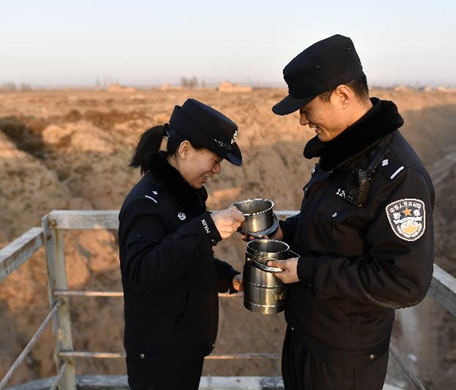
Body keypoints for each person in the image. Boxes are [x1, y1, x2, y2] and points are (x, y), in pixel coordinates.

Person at [265, 34, 435, 390]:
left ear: (342, 95)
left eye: (306, 107)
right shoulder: (342, 152)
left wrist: (307, 270)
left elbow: (403, 283)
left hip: (343, 362)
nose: (301, 120)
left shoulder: (399, 177)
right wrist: (285, 232)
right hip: (304, 338)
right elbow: (331, 225)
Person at [118, 98, 246, 390]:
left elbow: (187, 259)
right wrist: (206, 228)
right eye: (214, 160)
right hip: (159, 355)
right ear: (185, 149)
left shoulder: (184, 194)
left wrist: (230, 279)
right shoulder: (146, 202)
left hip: (181, 346)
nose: (216, 171)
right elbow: (142, 273)